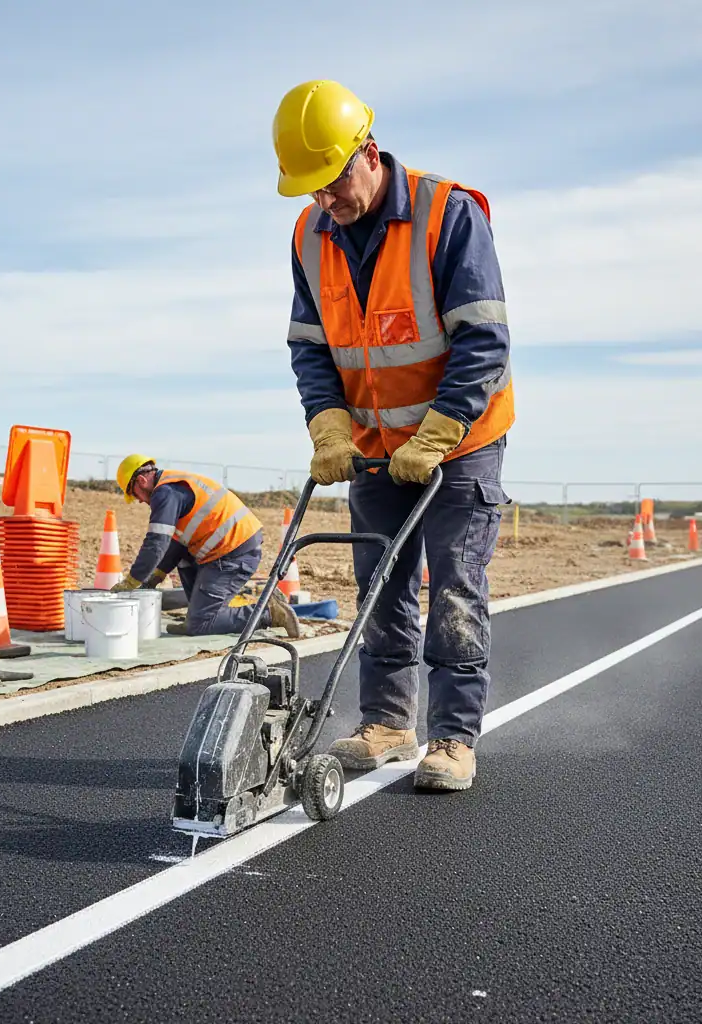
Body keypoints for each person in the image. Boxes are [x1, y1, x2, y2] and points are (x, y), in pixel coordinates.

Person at [273, 80, 514, 791]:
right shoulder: (310, 237)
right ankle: (385, 722)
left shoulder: (449, 215)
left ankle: (453, 737)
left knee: (456, 591)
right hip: (375, 448)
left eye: (333, 182)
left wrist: (437, 434)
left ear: (369, 155)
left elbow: (484, 338)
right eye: (310, 191)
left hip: (459, 445)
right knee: (379, 585)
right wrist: (327, 429)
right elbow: (311, 346)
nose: (326, 202)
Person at [112, 454, 300, 639]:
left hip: (233, 553)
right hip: (228, 549)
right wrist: (155, 577)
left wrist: (132, 581)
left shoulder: (165, 492)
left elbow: (156, 542)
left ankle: (269, 612)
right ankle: (200, 613)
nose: (138, 500)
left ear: (141, 480)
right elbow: (176, 544)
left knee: (201, 625)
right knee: (184, 559)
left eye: (134, 494)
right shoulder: (173, 485)